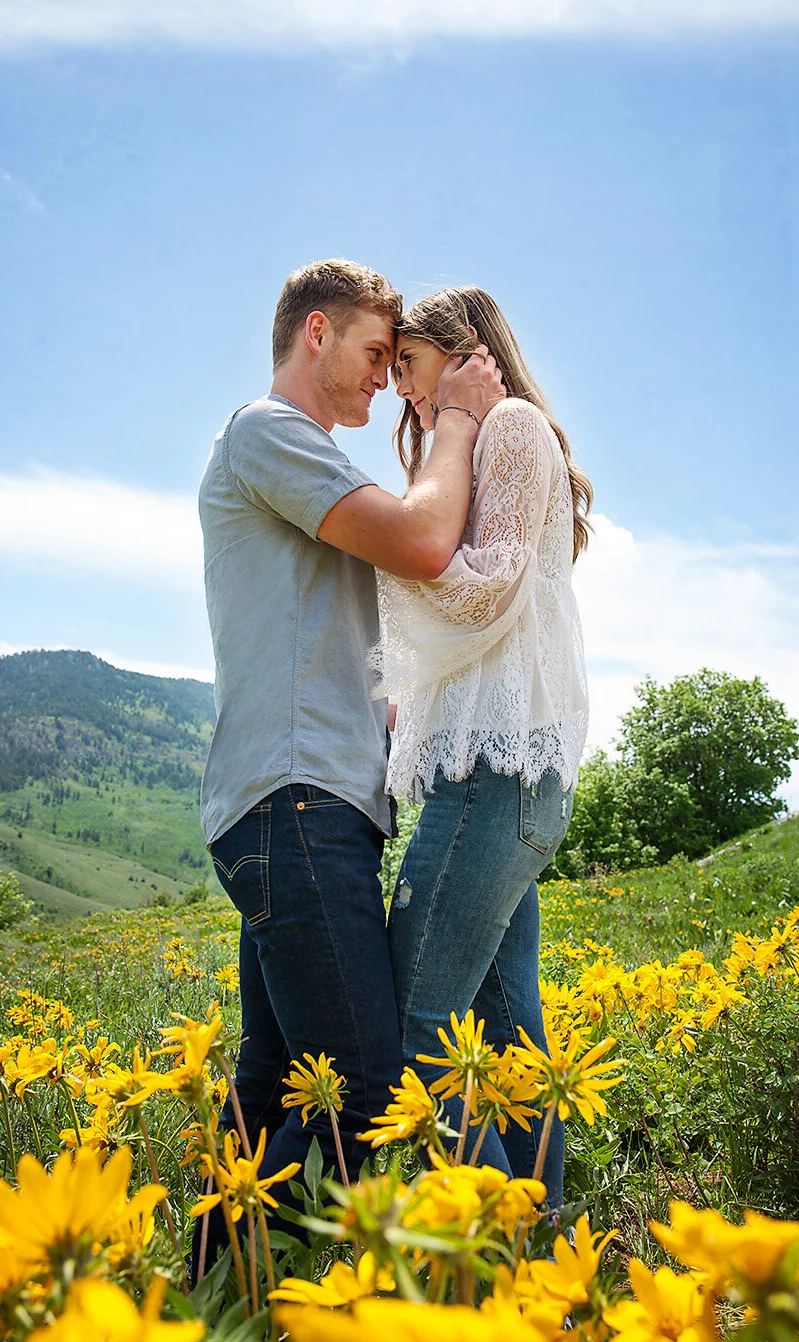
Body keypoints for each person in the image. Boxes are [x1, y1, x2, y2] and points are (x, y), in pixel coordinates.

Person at [194, 260, 505, 1268]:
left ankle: (212, 1300)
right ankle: (309, 1302)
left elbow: (326, 638)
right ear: (316, 332)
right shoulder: (269, 431)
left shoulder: (302, 458)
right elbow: (421, 540)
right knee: (367, 1096)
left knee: (274, 1088)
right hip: (297, 806)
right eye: (376, 353)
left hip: (294, 804)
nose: (383, 377)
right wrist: (455, 419)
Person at [376, 285, 593, 1209]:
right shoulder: (496, 437)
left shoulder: (507, 427)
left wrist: (378, 550)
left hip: (491, 780)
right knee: (506, 1035)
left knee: (416, 1025)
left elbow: (484, 588)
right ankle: (543, 1243)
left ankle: (492, 1250)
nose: (401, 390)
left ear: (465, 350)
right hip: (509, 780)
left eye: (409, 365)